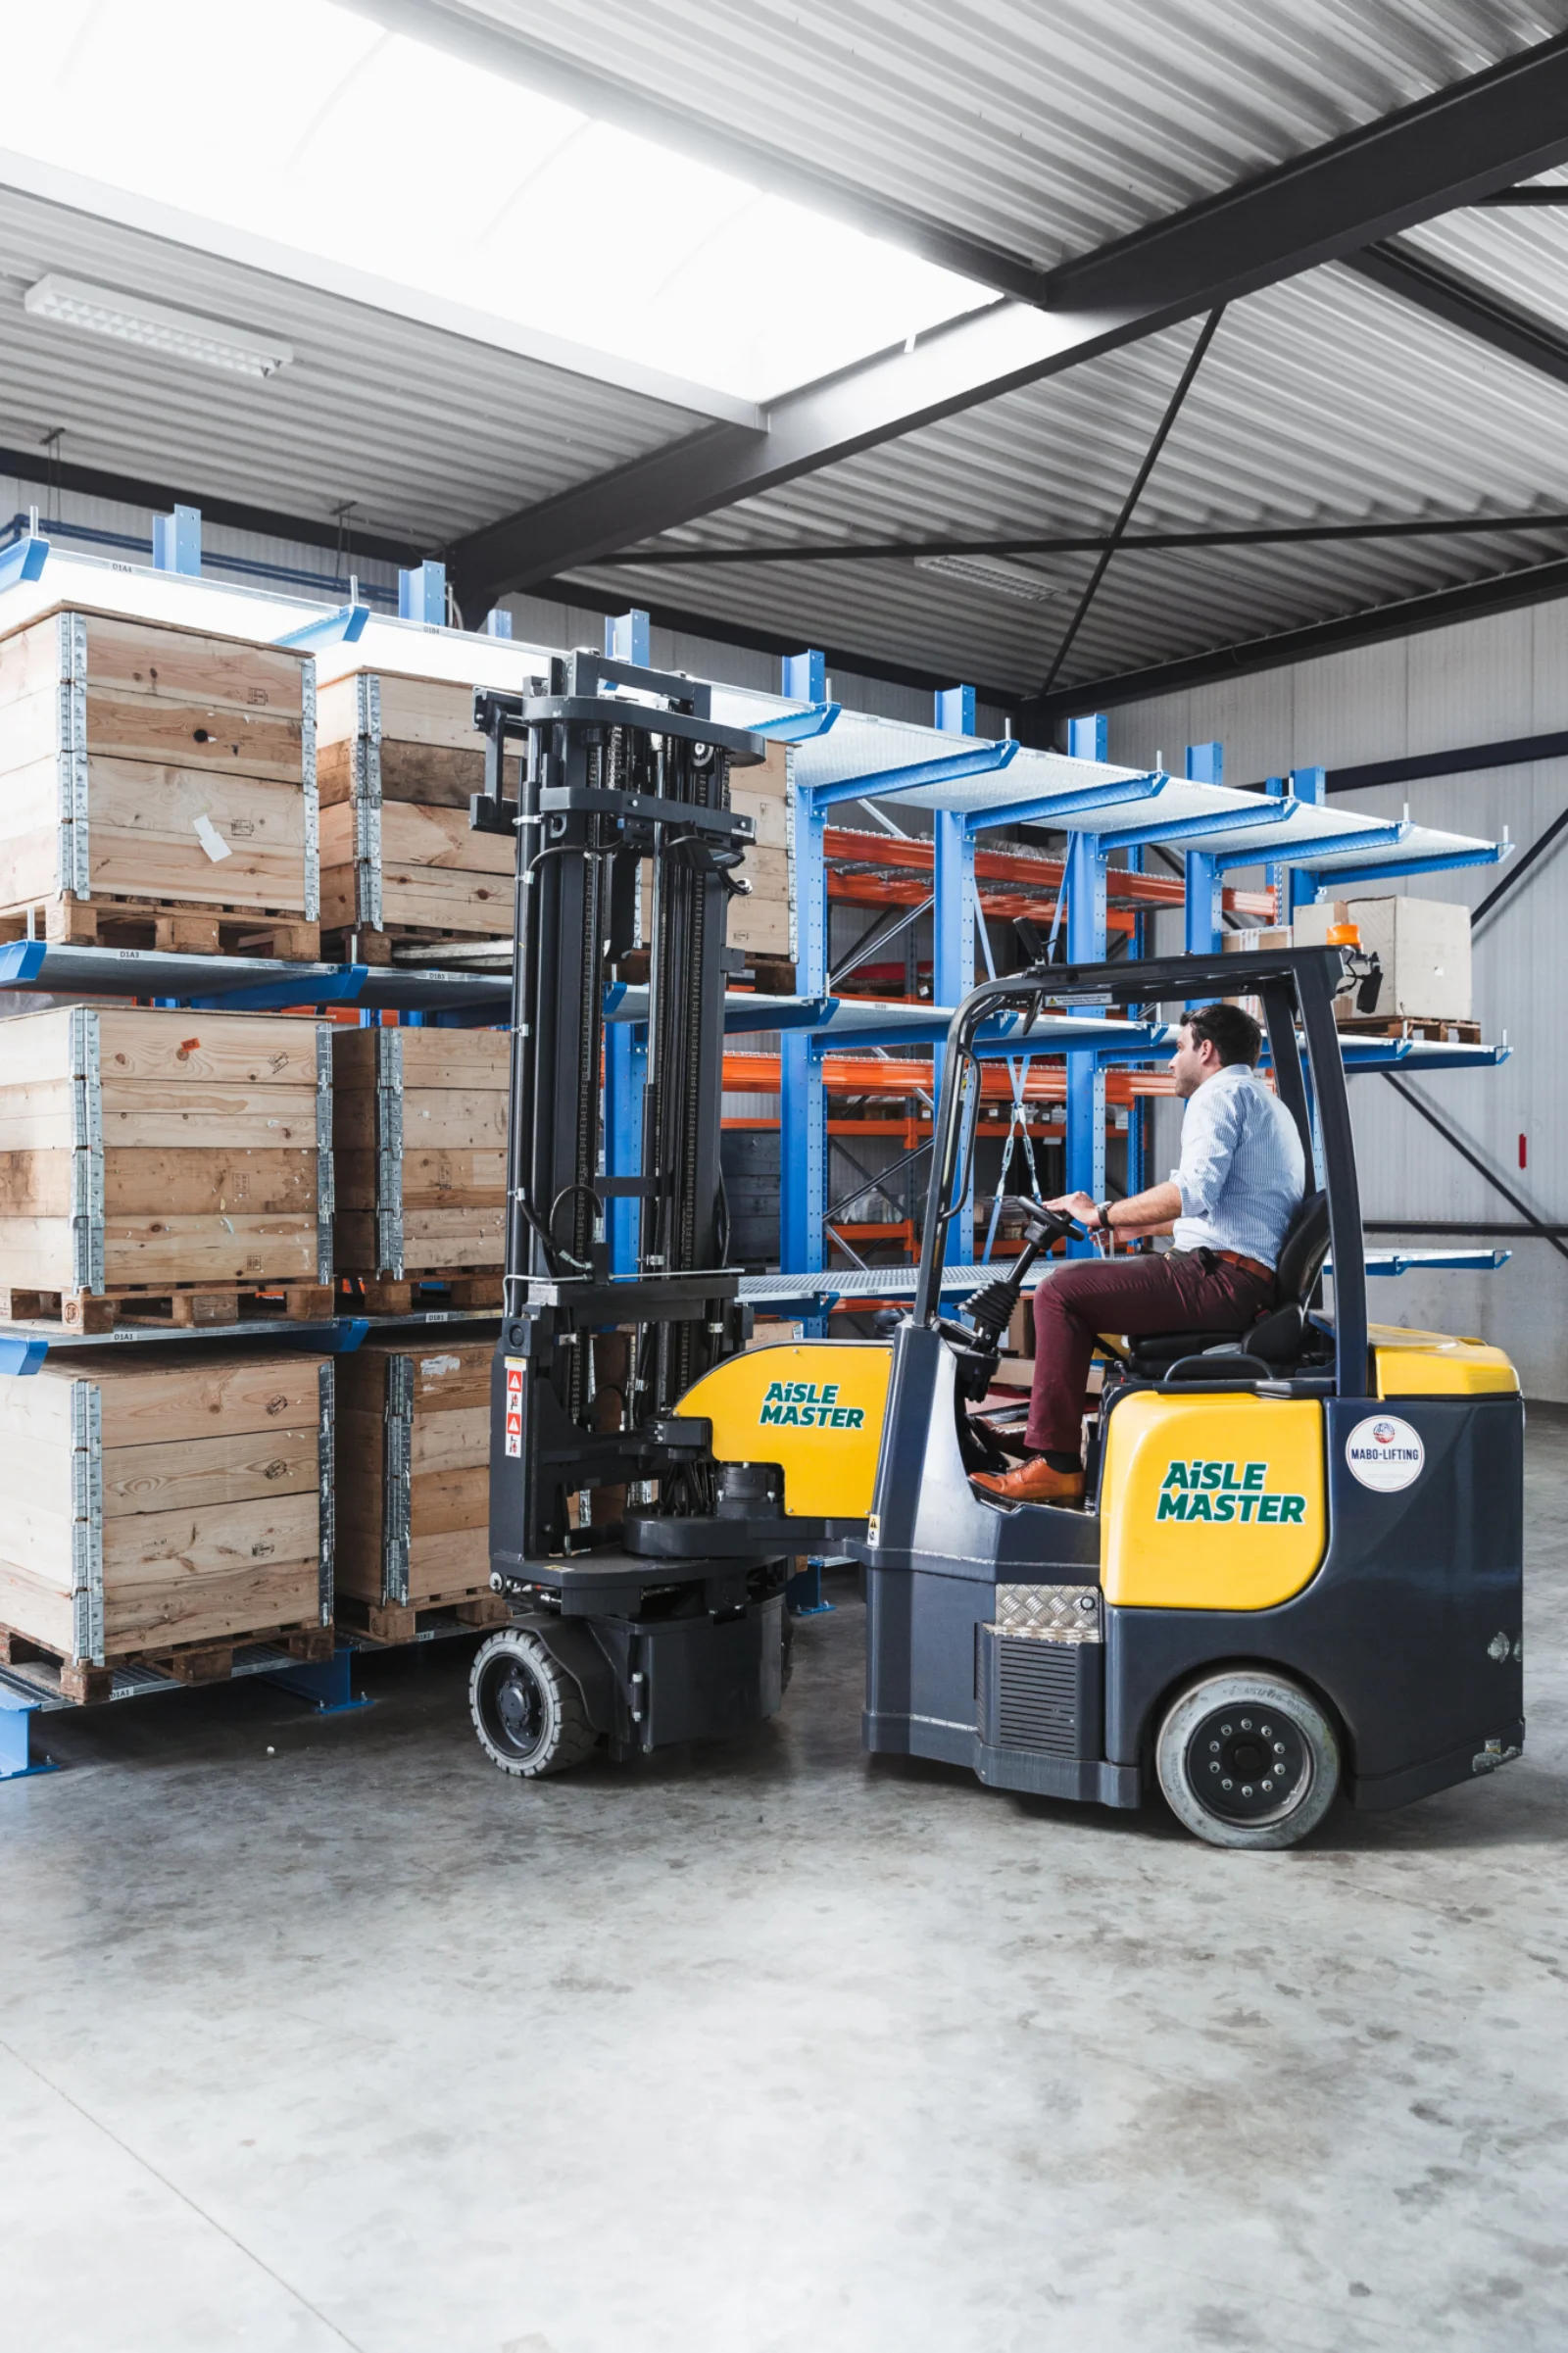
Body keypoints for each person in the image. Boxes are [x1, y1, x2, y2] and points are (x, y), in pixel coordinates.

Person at [973, 1000, 1306, 1505]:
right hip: (1236, 1273)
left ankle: (1057, 1467)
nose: (1171, 1062)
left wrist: (1102, 1216)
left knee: (1059, 1292)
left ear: (1206, 1050)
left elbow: (1193, 1192)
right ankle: (1047, 1435)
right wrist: (1133, 1223)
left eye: (1179, 1048)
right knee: (1083, 1289)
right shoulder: (1263, 1099)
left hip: (1221, 1278)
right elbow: (1223, 1207)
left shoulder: (1219, 1096)